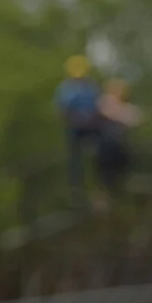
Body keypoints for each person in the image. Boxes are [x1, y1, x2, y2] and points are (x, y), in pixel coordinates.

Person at [54, 54, 103, 208]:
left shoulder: (91, 87)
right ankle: (77, 192)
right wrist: (72, 120)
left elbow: (98, 106)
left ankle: (99, 188)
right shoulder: (66, 88)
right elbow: (62, 110)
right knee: (75, 161)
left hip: (92, 126)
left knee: (98, 156)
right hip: (75, 127)